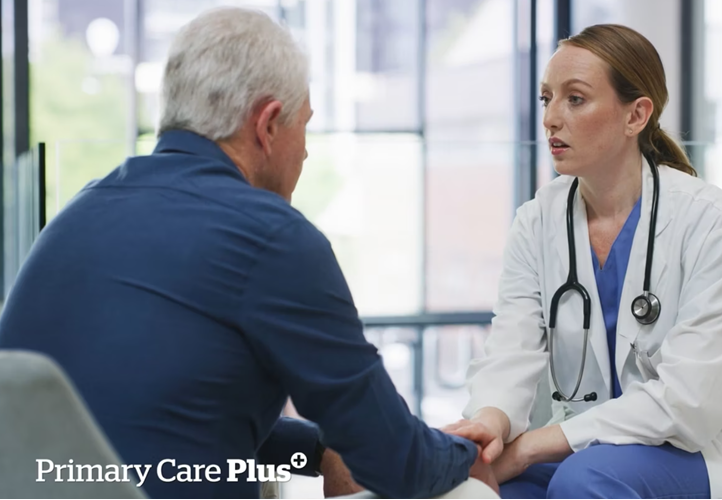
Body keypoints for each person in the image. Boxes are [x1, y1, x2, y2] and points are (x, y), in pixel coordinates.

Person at [0, 8, 497, 499]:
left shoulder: (79, 213)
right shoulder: (270, 236)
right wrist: (461, 453)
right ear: (269, 124)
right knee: (467, 494)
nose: (304, 153)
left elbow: (161, 424)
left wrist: (317, 447)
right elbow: (394, 462)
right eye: (305, 126)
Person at [442, 24, 722, 499]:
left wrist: (531, 447)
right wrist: (489, 421)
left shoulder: (710, 220)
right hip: (580, 447)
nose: (550, 118)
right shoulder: (537, 221)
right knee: (485, 490)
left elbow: (689, 399)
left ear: (636, 115)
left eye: (575, 99)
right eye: (548, 97)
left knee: (584, 480)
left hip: (695, 448)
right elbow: (511, 351)